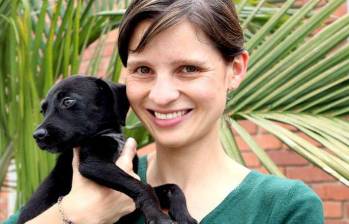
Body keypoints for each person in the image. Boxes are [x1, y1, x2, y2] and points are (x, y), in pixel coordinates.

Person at [4, 0, 324, 223]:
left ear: (235, 70)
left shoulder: (282, 208)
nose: (162, 94)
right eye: (142, 69)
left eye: (188, 68)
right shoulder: (78, 187)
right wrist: (72, 215)